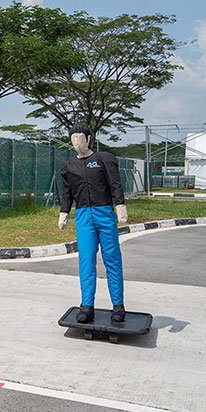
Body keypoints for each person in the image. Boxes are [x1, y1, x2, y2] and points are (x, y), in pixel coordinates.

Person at [59, 123, 128, 324]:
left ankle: (118, 306)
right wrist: (64, 212)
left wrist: (120, 205)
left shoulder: (103, 160)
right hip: (83, 218)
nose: (77, 142)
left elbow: (115, 184)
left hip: (104, 213)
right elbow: (67, 193)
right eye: (73, 138)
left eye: (80, 137)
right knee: (86, 261)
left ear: (89, 139)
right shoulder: (69, 166)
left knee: (112, 259)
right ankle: (87, 306)